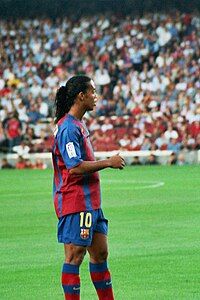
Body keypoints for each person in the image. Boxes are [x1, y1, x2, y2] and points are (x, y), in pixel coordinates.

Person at [52, 75, 125, 300]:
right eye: (92, 92)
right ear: (80, 96)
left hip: (91, 202)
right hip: (75, 201)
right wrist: (108, 163)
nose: (96, 96)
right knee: (75, 256)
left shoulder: (78, 125)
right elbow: (74, 167)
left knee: (100, 253)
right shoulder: (67, 128)